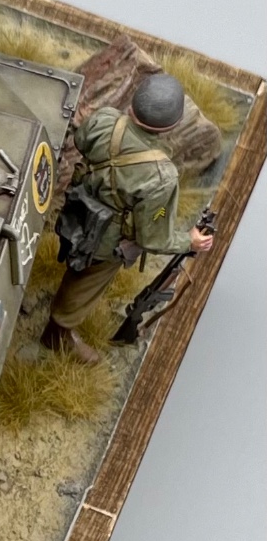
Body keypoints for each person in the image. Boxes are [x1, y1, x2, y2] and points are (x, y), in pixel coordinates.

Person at [44, 73, 214, 364]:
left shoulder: (105, 119)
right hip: (104, 241)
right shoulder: (162, 177)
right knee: (85, 283)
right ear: (172, 125)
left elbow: (82, 141)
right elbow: (153, 234)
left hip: (77, 209)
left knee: (76, 261)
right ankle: (58, 333)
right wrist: (188, 241)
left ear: (133, 106)